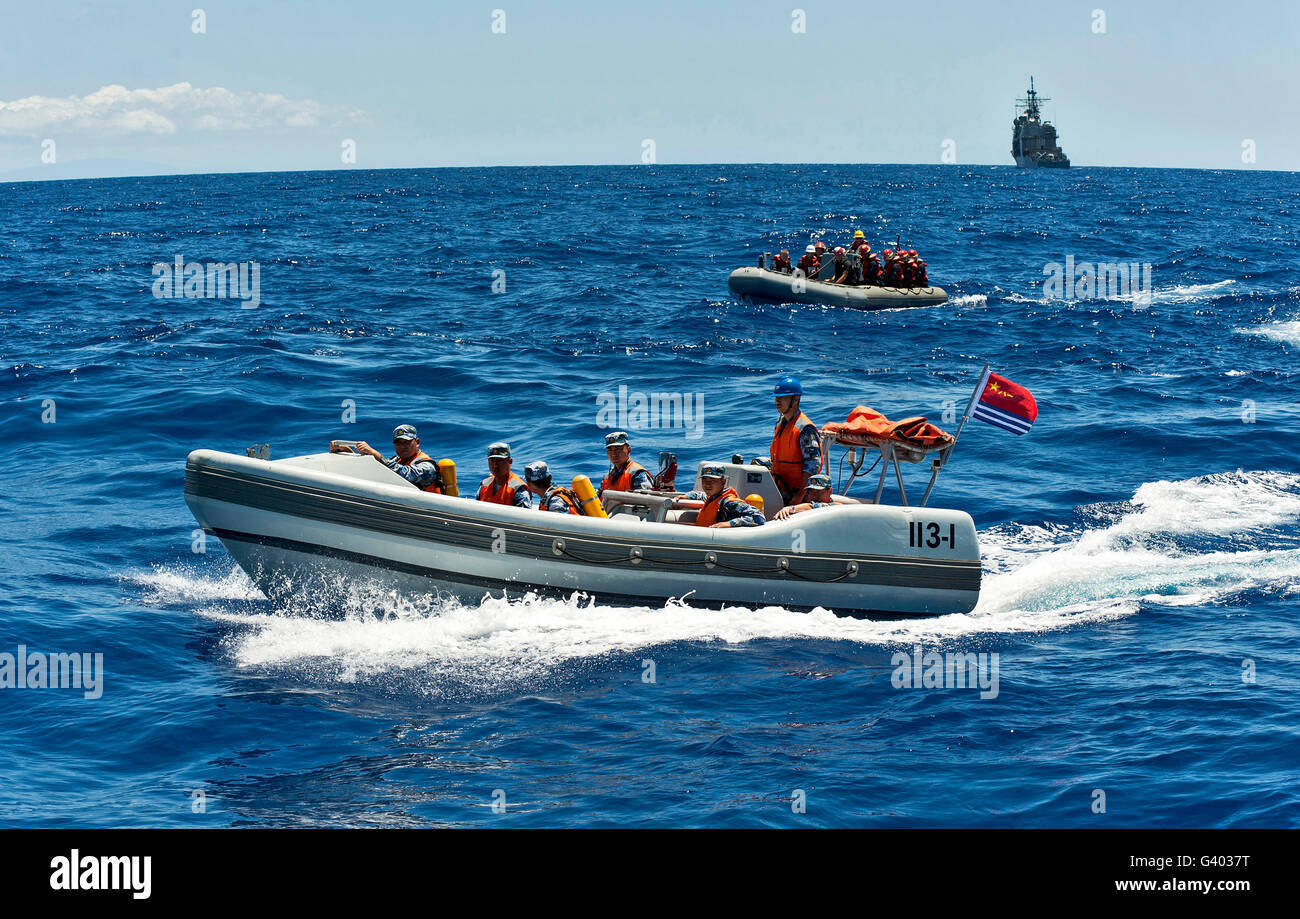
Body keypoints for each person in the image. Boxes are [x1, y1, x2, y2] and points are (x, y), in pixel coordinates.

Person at [329, 423, 442, 492]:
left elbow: (407, 474)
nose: (402, 446)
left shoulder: (427, 466)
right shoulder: (396, 460)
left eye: (406, 442)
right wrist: (348, 452)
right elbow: (377, 470)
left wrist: (375, 454)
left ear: (417, 442)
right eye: (398, 443)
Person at [769, 376, 822, 506]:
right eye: (776, 397)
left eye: (783, 397)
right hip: (781, 490)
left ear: (796, 399)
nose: (778, 401)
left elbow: (813, 465)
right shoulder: (780, 422)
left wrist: (799, 496)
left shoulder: (805, 428)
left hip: (798, 496)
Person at [682, 464, 765, 528]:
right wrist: (689, 495)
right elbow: (701, 495)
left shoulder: (730, 503)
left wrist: (729, 524)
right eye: (704, 480)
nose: (707, 484)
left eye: (713, 480)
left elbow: (759, 517)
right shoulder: (712, 496)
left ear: (723, 481)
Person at [476, 442, 532, 508]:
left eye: (499, 461)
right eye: (492, 461)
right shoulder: (484, 485)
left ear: (510, 461)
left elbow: (522, 516)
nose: (495, 465)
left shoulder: (518, 489)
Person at [599, 430, 653, 496]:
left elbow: (647, 500)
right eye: (610, 450)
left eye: (618, 449)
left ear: (628, 450)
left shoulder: (637, 474)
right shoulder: (607, 477)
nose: (614, 454)